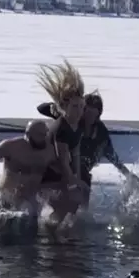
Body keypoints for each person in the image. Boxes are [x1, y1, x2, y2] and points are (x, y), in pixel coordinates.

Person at [37, 90, 138, 208]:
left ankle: (81, 214)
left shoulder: (100, 131)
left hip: (81, 170)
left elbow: (111, 154)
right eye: (87, 113)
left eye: (93, 116)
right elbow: (40, 108)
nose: (89, 118)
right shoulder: (72, 120)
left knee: (83, 178)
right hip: (60, 166)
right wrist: (56, 107)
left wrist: (127, 174)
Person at [35, 61, 87, 227]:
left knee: (75, 201)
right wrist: (72, 181)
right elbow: (62, 158)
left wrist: (77, 176)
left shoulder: (78, 124)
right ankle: (50, 229)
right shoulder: (61, 127)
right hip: (46, 172)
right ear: (63, 107)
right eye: (74, 107)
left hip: (61, 171)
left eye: (81, 106)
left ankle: (56, 228)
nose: (79, 111)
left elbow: (76, 152)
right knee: (69, 200)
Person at [0, 120, 58, 219]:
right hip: (5, 198)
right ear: (28, 134)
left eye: (45, 134)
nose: (44, 138)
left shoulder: (49, 151)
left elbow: (61, 171)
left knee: (28, 218)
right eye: (40, 135)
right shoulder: (12, 146)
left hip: (29, 199)